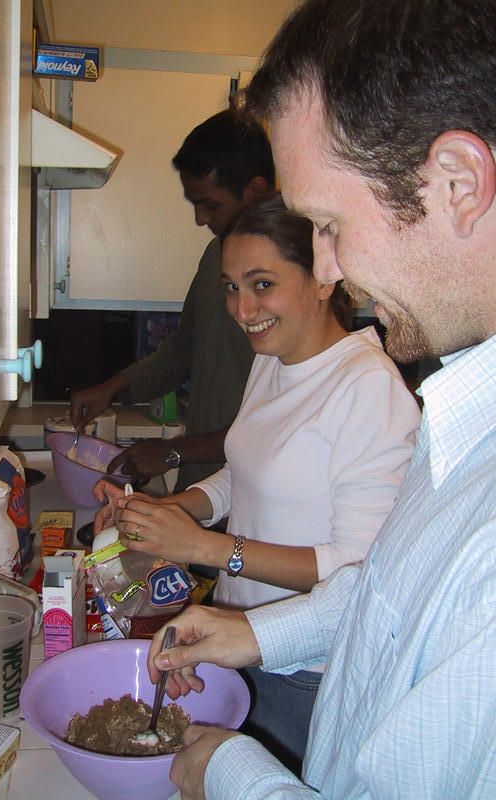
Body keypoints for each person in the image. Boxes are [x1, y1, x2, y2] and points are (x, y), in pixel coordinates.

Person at [142, 0, 496, 798]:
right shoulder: (459, 422)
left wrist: (230, 769)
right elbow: (382, 594)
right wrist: (248, 633)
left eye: (328, 224)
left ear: (459, 184)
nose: (328, 271)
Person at [94, 192, 420, 771]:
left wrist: (205, 548)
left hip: (307, 673)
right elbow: (240, 474)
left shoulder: (368, 388)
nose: (242, 309)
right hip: (237, 635)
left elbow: (356, 569)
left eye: (262, 284)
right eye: (231, 287)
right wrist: (162, 514)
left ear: (324, 278)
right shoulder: (272, 359)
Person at [70, 110, 275, 493]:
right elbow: (184, 349)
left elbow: (282, 421)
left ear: (255, 191)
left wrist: (171, 452)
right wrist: (114, 387)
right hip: (202, 487)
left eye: (210, 204)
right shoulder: (217, 256)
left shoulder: (295, 275)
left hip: (255, 496)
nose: (199, 219)